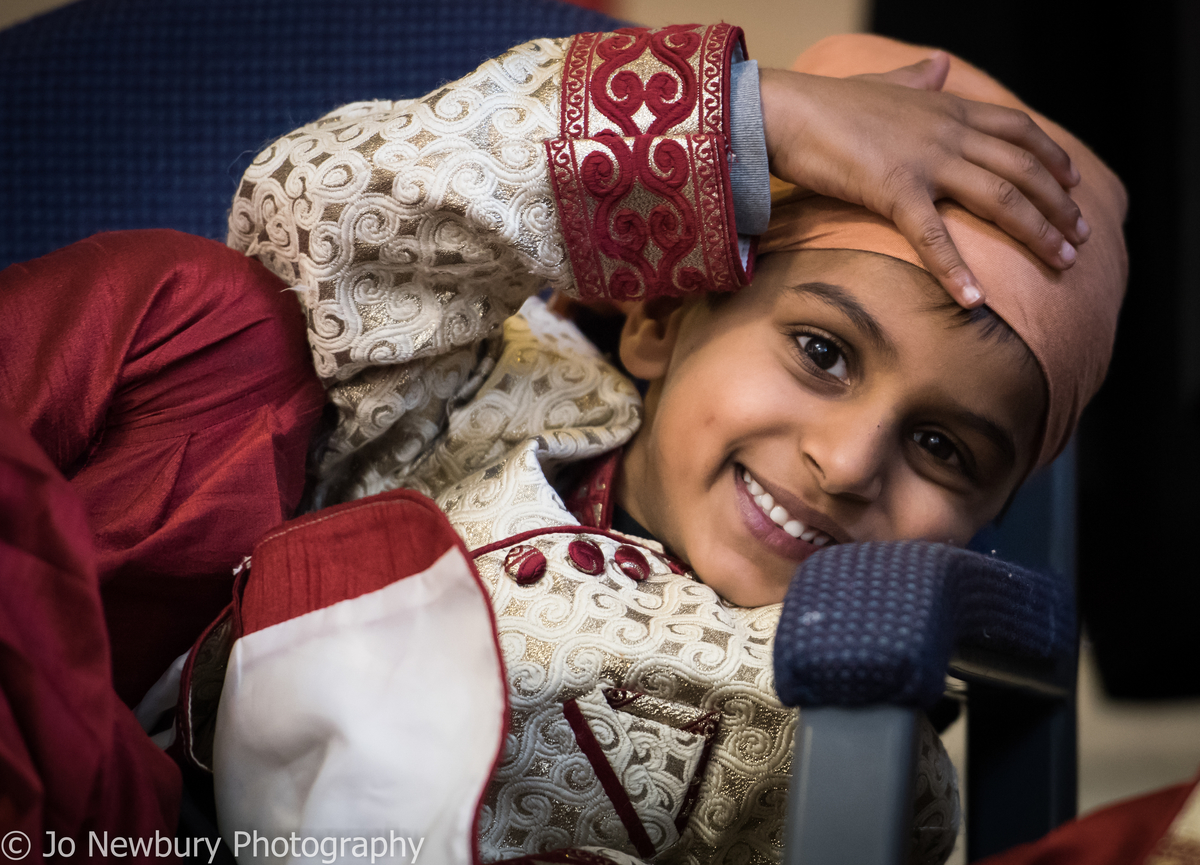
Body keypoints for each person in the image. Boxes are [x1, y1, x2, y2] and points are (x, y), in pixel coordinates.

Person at [0, 23, 1119, 865]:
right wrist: (744, 119)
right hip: (116, 811)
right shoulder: (483, 393)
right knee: (208, 313)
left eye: (943, 447)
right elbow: (313, 222)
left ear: (984, 521)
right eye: (823, 352)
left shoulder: (837, 719)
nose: (849, 460)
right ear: (660, 320)